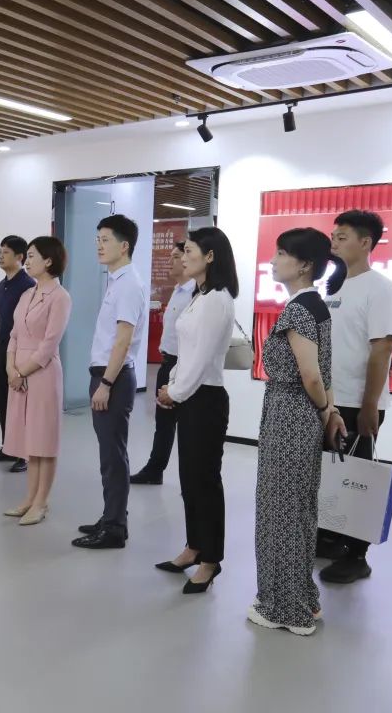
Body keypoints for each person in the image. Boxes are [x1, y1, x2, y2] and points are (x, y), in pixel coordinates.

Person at [248, 228, 336, 636]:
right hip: (302, 417)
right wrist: (328, 410)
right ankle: (303, 597)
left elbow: (311, 375)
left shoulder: (298, 310)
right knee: (298, 510)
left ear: (304, 265)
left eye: (281, 253)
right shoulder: (316, 306)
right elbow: (322, 374)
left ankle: (286, 610)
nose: (273, 260)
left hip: (290, 416)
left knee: (280, 512)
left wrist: (323, 407)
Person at [318, 210, 392, 584]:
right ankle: (331, 538)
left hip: (358, 402)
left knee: (357, 479)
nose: (334, 242)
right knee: (332, 474)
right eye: (333, 236)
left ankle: (357, 555)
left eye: (342, 237)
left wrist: (370, 405)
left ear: (365, 242)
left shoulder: (381, 289)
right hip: (331, 400)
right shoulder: (334, 287)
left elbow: (382, 350)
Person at [153, 228, 238, 593]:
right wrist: (173, 385)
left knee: (204, 482)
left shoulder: (217, 299)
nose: (182, 257)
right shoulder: (199, 295)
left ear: (210, 256)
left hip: (204, 399)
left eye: (189, 251)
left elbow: (201, 359)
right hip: (190, 395)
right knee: (189, 479)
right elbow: (185, 352)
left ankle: (210, 559)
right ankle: (193, 547)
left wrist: (174, 391)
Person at [73, 214, 148, 550]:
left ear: (124, 245)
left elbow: (123, 340)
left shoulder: (129, 284)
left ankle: (115, 527)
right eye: (97, 240)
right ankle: (112, 516)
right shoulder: (119, 281)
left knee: (113, 456)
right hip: (109, 376)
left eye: (105, 240)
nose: (99, 246)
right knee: (109, 453)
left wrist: (105, 383)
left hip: (113, 378)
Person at [2, 237, 72, 526]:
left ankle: (42, 502)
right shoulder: (27, 294)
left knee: (45, 440)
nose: (27, 261)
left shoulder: (60, 297)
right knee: (30, 440)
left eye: (32, 256)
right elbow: (14, 334)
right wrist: (10, 367)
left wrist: (21, 372)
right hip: (18, 372)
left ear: (49, 261)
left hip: (41, 373)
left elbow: (49, 345)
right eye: (27, 256)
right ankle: (29, 498)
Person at [132, 242, 194, 485]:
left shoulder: (195, 294)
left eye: (176, 256)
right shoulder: (178, 290)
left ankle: (188, 477)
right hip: (167, 364)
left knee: (186, 425)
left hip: (184, 366)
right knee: (164, 423)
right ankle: (154, 469)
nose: (171, 261)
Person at [0, 235, 35, 473]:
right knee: (1, 400)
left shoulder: (28, 286)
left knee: (19, 403)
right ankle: (8, 446)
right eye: (0, 252)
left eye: (6, 252)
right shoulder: (3, 285)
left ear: (19, 257)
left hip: (20, 350)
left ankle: (23, 454)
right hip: (2, 345)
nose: (1, 256)